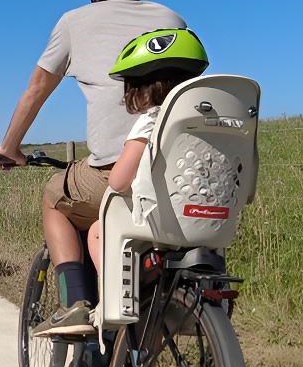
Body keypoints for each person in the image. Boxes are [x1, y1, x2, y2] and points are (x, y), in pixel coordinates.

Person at [0, 0, 188, 336]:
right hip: (177, 170)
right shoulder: (172, 17)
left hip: (116, 170)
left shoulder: (73, 22)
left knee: (55, 197)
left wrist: (9, 148)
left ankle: (76, 305)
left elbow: (35, 91)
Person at [84, 28, 211, 286]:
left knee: (98, 232)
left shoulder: (152, 122)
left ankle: (118, 293)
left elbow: (118, 182)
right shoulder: (207, 122)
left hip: (163, 221)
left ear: (142, 90)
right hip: (208, 216)